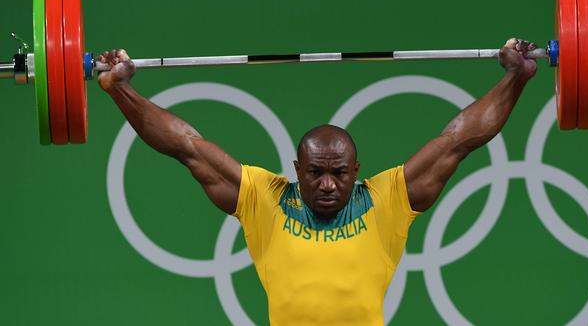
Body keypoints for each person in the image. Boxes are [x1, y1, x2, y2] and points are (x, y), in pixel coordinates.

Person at [98, 38, 537, 325]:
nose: (327, 185)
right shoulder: (263, 199)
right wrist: (121, 90)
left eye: (339, 173)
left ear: (357, 171)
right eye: (315, 173)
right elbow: (187, 146)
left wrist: (514, 78)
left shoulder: (388, 199)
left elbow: (458, 140)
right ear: (296, 171)